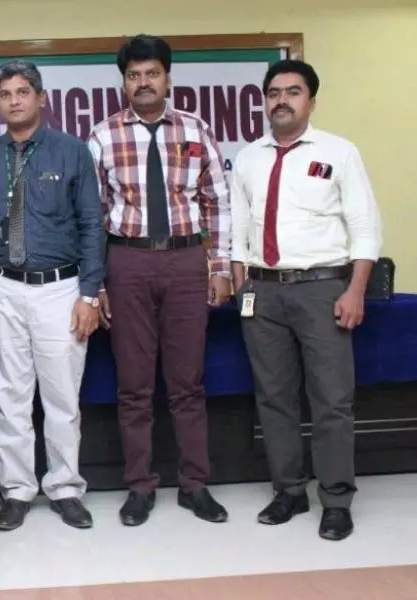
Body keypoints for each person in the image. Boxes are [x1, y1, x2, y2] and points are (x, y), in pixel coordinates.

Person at [230, 59, 382, 541]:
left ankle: (335, 500)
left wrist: (355, 290)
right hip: (263, 293)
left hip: (323, 289)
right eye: (274, 92)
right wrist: (243, 284)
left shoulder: (339, 152)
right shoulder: (248, 157)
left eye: (292, 92)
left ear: (311, 101)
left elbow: (364, 227)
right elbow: (238, 229)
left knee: (331, 400)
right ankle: (289, 491)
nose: (282, 100)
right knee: (274, 398)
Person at [86, 34, 231, 526]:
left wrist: (220, 266)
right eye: (134, 75)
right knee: (134, 385)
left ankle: (195, 485)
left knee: (188, 383)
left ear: (168, 78)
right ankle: (140, 486)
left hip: (187, 262)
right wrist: (97, 285)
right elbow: (92, 217)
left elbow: (217, 201)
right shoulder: (102, 136)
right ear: (123, 82)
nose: (143, 82)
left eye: (152, 73)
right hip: (127, 264)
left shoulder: (195, 128)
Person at [0, 59, 105, 531]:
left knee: (62, 397)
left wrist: (89, 295)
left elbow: (92, 226)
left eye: (23, 92)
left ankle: (65, 488)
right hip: (1, 289)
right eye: (5, 94)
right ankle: (17, 491)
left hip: (60, 290)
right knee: (9, 398)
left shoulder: (72, 152)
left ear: (41, 98)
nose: (14, 101)